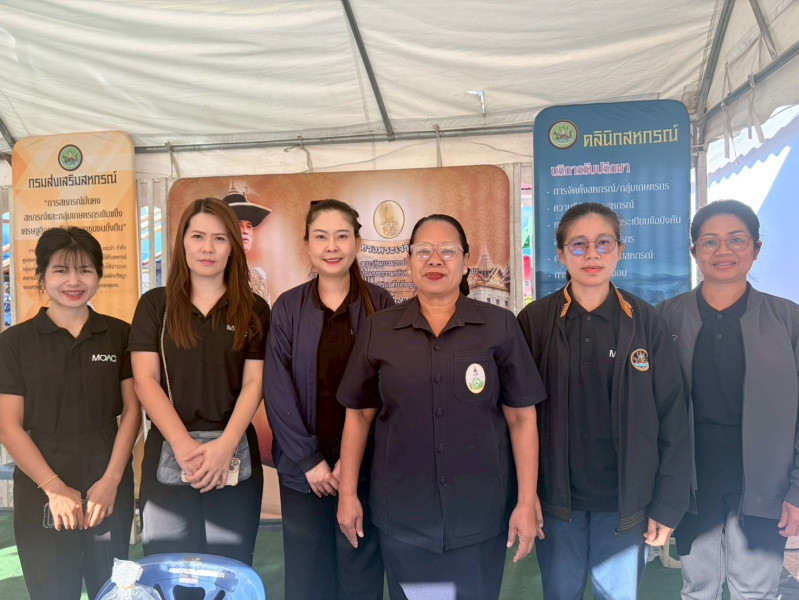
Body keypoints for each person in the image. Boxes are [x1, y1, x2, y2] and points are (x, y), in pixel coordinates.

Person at [336, 214, 546, 600]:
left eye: (447, 251)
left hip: (480, 514)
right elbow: (359, 415)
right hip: (403, 516)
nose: (435, 260)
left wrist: (526, 500)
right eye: (423, 251)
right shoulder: (379, 330)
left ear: (465, 262)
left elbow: (521, 417)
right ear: (409, 260)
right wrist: (347, 495)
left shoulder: (499, 325)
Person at [516, 202, 690, 600]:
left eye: (603, 243)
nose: (591, 254)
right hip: (557, 504)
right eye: (578, 245)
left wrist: (667, 503)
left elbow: (673, 418)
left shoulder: (646, 322)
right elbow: (516, 417)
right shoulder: (534, 322)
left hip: (626, 505)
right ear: (560, 254)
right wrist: (523, 498)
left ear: (620, 250)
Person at [657, 200, 799, 600]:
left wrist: (797, 490)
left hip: (765, 483)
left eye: (736, 240)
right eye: (710, 242)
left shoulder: (787, 319)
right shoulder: (664, 319)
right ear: (694, 251)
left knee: (755, 589)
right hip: (691, 480)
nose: (724, 251)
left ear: (756, 248)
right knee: (698, 587)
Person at [0, 227, 140, 599]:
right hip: (41, 478)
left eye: (85, 270)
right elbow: (8, 426)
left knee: (112, 589)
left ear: (99, 275)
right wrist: (55, 488)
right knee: (52, 591)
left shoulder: (120, 335)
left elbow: (132, 411)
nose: (74, 281)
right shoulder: (15, 343)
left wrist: (111, 480)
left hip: (107, 474)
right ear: (41, 275)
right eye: (61, 270)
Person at [129, 197, 270, 564]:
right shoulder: (155, 305)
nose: (208, 248)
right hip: (169, 450)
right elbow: (145, 380)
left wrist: (225, 447)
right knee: (168, 569)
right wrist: (183, 448)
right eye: (198, 236)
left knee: (229, 569)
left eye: (219, 238)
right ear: (182, 243)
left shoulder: (254, 308)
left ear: (232, 247)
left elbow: (255, 383)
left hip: (233, 450)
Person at [264, 199, 392, 599]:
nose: (331, 246)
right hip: (303, 472)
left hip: (365, 468)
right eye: (321, 237)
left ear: (357, 243)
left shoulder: (381, 304)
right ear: (307, 245)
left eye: (342, 236)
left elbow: (387, 390)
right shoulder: (288, 307)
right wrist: (309, 461)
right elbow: (276, 388)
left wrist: (349, 465)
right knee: (308, 580)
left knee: (360, 576)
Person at [222, 183, 272, 304]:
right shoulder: (214, 272)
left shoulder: (258, 275)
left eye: (249, 227)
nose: (245, 231)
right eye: (239, 225)